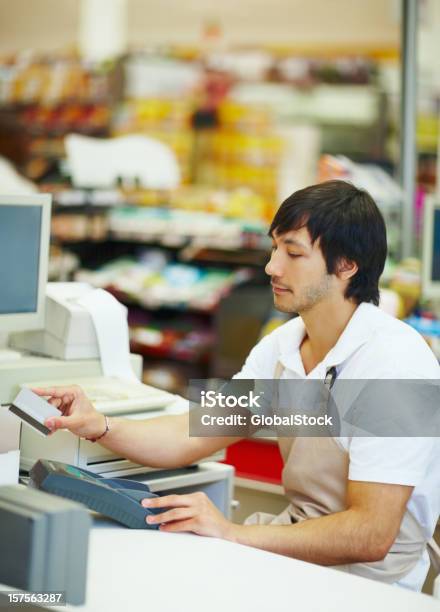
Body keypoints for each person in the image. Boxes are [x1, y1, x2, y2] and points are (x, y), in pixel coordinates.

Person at [34, 180, 440, 591]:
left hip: (374, 587)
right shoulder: (285, 347)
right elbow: (191, 432)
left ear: (346, 265)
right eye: (274, 248)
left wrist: (230, 532)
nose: (272, 267)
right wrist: (100, 424)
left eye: (294, 253)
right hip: (296, 558)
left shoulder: (394, 364)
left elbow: (371, 534)